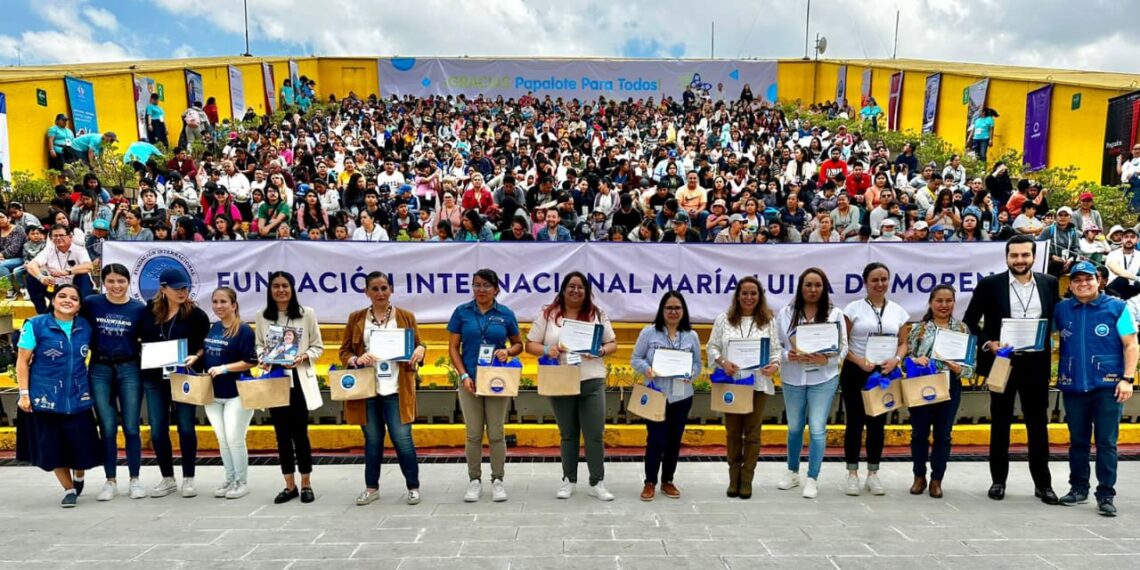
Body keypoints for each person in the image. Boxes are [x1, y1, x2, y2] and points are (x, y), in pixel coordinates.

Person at [963, 235, 1060, 504]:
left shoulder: (1049, 284)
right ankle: (998, 481)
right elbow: (970, 322)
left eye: (1025, 255)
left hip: (1036, 363)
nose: (1019, 260)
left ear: (1033, 257)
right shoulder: (990, 285)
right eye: (1014, 256)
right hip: (1002, 362)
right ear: (1006, 257)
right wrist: (988, 344)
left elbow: (1058, 317)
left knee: (1038, 425)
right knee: (1001, 423)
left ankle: (1043, 484)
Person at [524, 272, 618, 501]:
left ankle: (597, 482)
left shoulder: (597, 314)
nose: (576, 291)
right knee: (568, 434)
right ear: (563, 289)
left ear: (587, 292)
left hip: (591, 379)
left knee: (594, 434)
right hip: (561, 379)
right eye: (571, 286)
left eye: (581, 287)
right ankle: (569, 480)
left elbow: (612, 343)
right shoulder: (548, 314)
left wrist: (602, 350)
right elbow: (530, 344)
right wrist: (547, 350)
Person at [1054, 261, 1138, 516]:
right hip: (1074, 386)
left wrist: (1127, 379)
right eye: (1076, 280)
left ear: (1099, 281)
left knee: (1106, 442)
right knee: (1077, 441)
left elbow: (1131, 345)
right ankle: (1078, 488)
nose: (1082, 284)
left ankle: (1105, 494)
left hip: (1108, 386)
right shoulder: (1062, 309)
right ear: (1071, 284)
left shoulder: (1117, 307)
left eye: (1087, 279)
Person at [339, 271, 426, 506]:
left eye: (384, 288)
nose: (380, 293)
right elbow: (344, 352)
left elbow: (418, 346)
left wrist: (421, 350)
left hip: (397, 388)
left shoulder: (406, 316)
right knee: (373, 440)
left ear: (391, 290)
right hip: (368, 389)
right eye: (375, 289)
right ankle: (371, 487)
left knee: (402, 438)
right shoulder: (356, 318)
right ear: (366, 292)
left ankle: (413, 486)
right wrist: (356, 360)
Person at [14, 284, 101, 508]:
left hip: (78, 396)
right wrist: (24, 394)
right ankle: (69, 489)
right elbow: (22, 361)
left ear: (80, 305)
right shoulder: (36, 325)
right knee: (54, 449)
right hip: (45, 398)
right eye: (62, 296)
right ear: (53, 300)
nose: (67, 300)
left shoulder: (85, 327)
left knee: (81, 447)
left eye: (73, 298)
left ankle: (79, 475)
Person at [447, 268, 523, 502]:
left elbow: (519, 344)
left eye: (486, 286)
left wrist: (507, 351)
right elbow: (453, 348)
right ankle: (474, 480)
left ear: (496, 289)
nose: (481, 290)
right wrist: (463, 375)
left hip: (496, 381)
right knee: (473, 434)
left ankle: (498, 480)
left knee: (497, 433)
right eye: (476, 285)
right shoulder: (462, 312)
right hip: (469, 381)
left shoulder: (505, 314)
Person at [707, 276, 782, 499]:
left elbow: (776, 351)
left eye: (753, 293)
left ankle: (747, 480)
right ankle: (733, 479)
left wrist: (775, 365)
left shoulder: (768, 320)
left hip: (757, 383)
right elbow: (712, 347)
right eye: (745, 293)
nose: (749, 297)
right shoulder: (724, 319)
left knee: (752, 434)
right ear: (737, 295)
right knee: (732, 433)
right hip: (732, 384)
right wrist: (723, 362)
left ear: (760, 297)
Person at [775, 268, 847, 498]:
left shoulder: (834, 314)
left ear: (824, 288)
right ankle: (792, 471)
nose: (813, 290)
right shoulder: (786, 313)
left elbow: (843, 345)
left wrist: (828, 358)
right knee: (795, 427)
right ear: (800, 287)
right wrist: (788, 356)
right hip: (793, 377)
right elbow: (777, 345)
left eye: (817, 285)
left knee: (817, 429)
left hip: (823, 377)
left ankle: (813, 477)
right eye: (808, 285)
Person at [139, 267, 210, 498]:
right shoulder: (149, 311)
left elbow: (204, 345)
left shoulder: (196, 315)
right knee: (158, 430)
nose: (182, 292)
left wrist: (196, 357)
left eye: (185, 288)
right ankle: (167, 477)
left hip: (184, 377)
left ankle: (188, 477)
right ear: (163, 289)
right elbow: (140, 338)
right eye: (177, 288)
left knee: (186, 428)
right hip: (154, 378)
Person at [255, 271, 325, 504]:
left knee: (300, 434)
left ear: (293, 289)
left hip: (299, 381)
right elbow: (259, 345)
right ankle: (289, 484)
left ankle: (306, 482)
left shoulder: (307, 315)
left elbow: (318, 347)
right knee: (281, 436)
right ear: (270, 290)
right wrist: (263, 356)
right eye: (276, 286)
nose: (281, 290)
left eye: (285, 285)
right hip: (276, 379)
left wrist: (303, 356)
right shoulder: (263, 316)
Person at [841, 262, 909, 496]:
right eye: (874, 280)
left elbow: (903, 342)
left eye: (884, 279)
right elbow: (842, 343)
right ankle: (852, 473)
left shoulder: (898, 311)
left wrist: (896, 361)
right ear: (865, 283)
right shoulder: (853, 309)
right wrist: (859, 361)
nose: (880, 284)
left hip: (884, 373)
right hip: (856, 371)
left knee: (877, 425)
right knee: (855, 423)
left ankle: (873, 473)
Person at [82, 264, 148, 502]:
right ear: (103, 283)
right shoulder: (92, 303)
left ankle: (135, 479)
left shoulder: (138, 309)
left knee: (131, 427)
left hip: (129, 368)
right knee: (107, 428)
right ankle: (110, 480)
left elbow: (147, 339)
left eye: (121, 281)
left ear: (128, 282)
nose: (116, 286)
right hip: (99, 368)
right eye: (110, 281)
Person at [630, 291, 703, 501]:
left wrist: (692, 374)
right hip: (656, 394)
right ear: (662, 310)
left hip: (682, 396)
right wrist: (647, 369)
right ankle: (650, 482)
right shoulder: (649, 333)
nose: (673, 312)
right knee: (656, 439)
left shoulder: (691, 336)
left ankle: (668, 481)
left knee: (674, 440)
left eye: (677, 308)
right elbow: (635, 358)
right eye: (669, 308)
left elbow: (698, 363)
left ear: (683, 311)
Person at [906, 285, 973, 498]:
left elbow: (971, 368)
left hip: (950, 384)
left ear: (954, 303)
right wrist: (916, 360)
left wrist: (959, 368)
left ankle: (937, 479)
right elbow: (905, 358)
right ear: (930, 303)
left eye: (948, 301)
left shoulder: (962, 330)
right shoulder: (920, 329)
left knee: (943, 435)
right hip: (923, 384)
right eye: (939, 301)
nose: (944, 305)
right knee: (919, 434)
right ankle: (919, 476)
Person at [201, 287, 257, 499]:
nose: (218, 306)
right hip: (213, 393)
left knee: (235, 438)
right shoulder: (213, 327)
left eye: (223, 302)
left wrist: (225, 368)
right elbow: (205, 349)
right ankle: (230, 478)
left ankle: (241, 482)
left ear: (234, 305)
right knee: (222, 439)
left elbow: (251, 361)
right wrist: (196, 357)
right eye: (215, 301)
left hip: (237, 392)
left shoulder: (243, 330)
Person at [24, 224, 95, 314]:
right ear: (51, 238)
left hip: (76, 286)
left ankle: (81, 314)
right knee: (31, 277)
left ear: (70, 236)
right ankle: (42, 314)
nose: (58, 238)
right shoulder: (48, 250)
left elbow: (88, 266)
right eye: (55, 236)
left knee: (83, 276)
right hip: (55, 286)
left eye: (61, 235)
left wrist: (67, 272)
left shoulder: (79, 250)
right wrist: (41, 278)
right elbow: (31, 265)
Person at [1105, 227, 1140, 299]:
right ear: (1122, 239)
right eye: (1126, 237)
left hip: (1132, 288)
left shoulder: (1139, 255)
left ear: (1137, 240)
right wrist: (1136, 278)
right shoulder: (1113, 254)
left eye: (1132, 237)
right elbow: (1116, 270)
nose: (1129, 239)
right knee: (1122, 280)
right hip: (1114, 288)